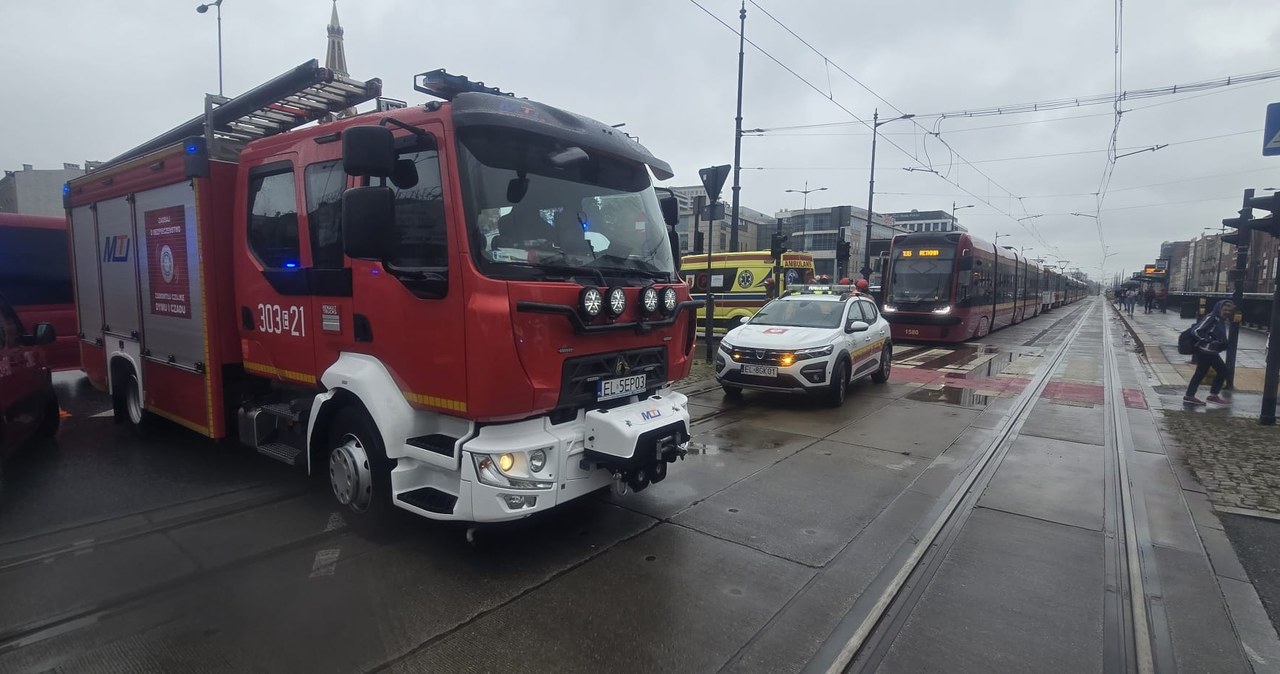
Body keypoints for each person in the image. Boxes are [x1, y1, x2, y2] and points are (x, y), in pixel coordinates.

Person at [1183, 299, 1235, 406]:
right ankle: (1210, 395)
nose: (1227, 312)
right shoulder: (1212, 318)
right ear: (1219, 308)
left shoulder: (1219, 320)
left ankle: (1191, 395)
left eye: (1229, 311)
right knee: (1222, 371)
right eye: (1225, 309)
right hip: (1206, 351)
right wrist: (1207, 340)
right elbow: (1196, 331)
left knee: (1201, 373)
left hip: (1211, 351)